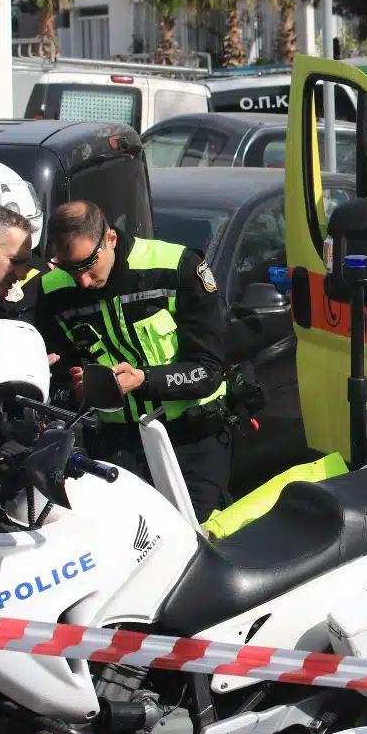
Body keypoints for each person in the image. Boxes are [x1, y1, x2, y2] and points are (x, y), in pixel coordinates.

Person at [33, 200, 233, 521]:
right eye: (70, 269)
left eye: (88, 265)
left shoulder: (176, 267)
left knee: (196, 536)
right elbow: (53, 384)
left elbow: (208, 371)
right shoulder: (52, 290)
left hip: (191, 438)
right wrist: (77, 391)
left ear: (110, 238)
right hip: (117, 446)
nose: (82, 280)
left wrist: (142, 379)